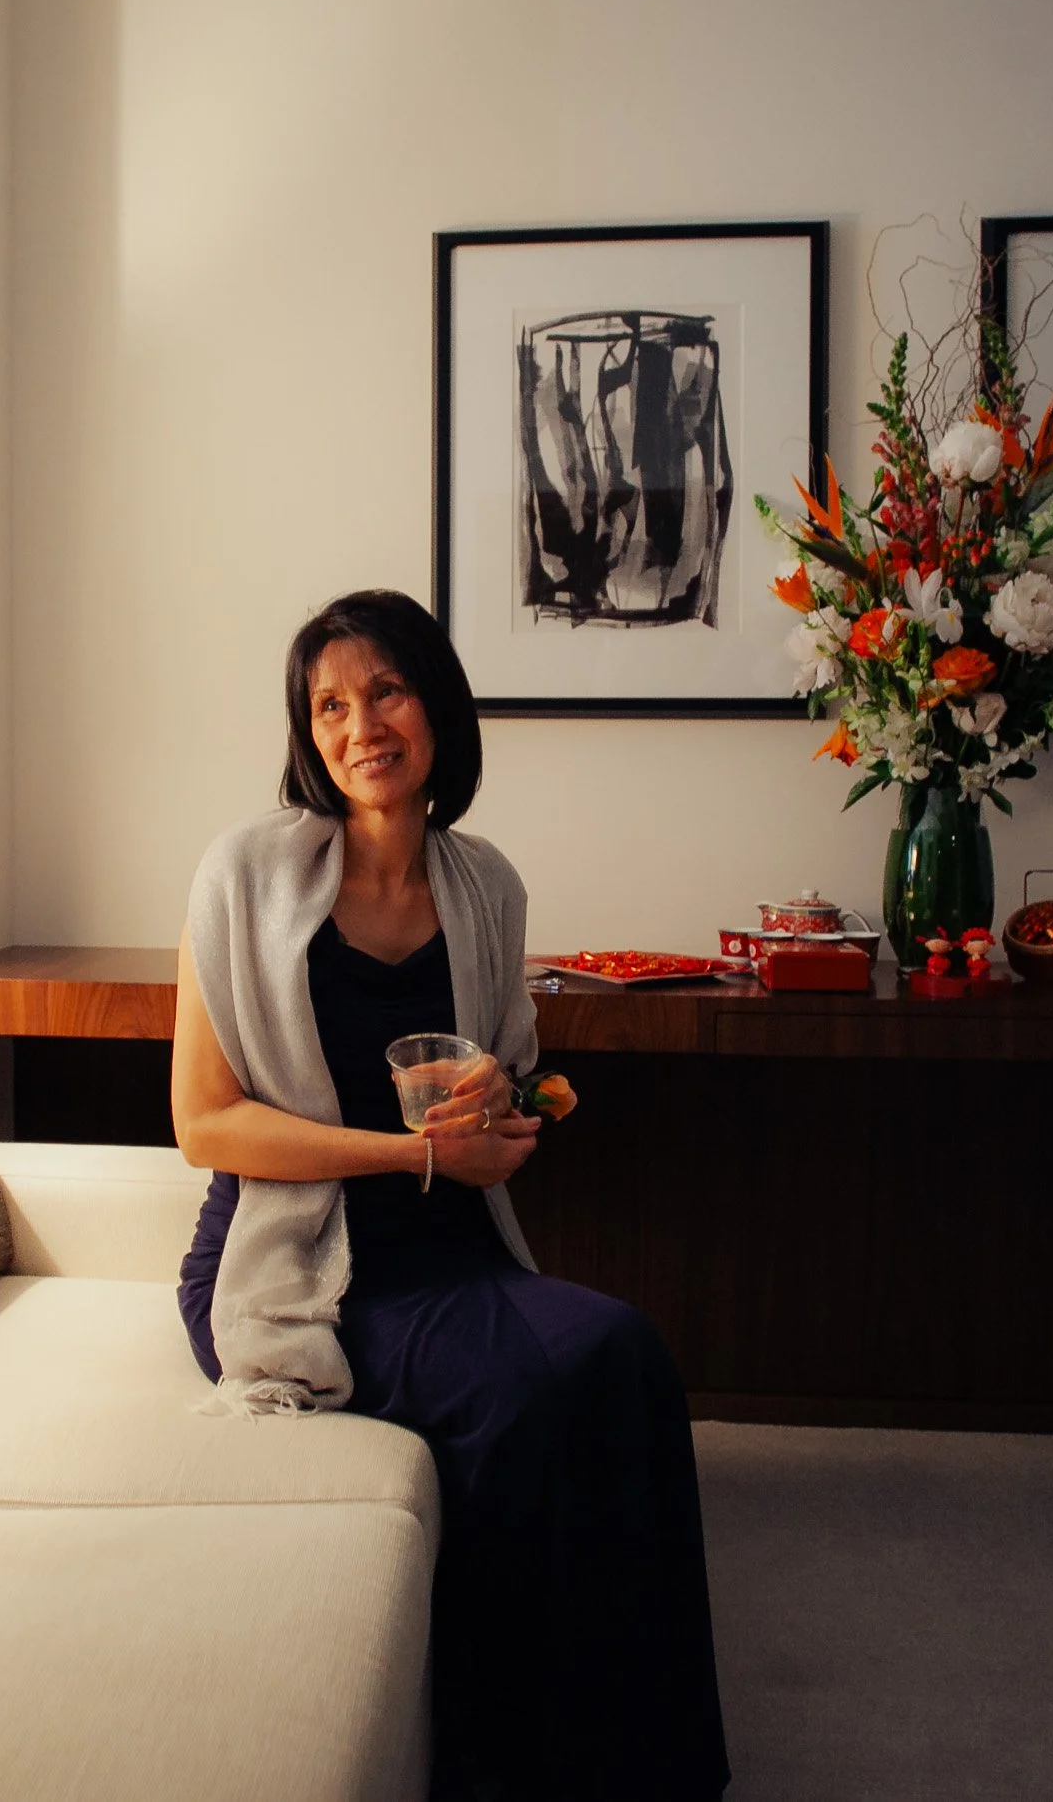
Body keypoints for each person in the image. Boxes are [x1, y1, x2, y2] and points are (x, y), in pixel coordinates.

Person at [172, 588, 729, 1802]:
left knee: (628, 1358)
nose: (360, 726)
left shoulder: (486, 886)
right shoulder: (243, 877)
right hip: (299, 1260)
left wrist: (507, 1108)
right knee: (538, 1389)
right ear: (306, 734)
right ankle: (501, 1766)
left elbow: (522, 1081)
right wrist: (412, 1156)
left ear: (436, 707)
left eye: (386, 691)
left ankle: (658, 1765)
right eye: (329, 706)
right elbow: (203, 1124)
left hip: (448, 1247)